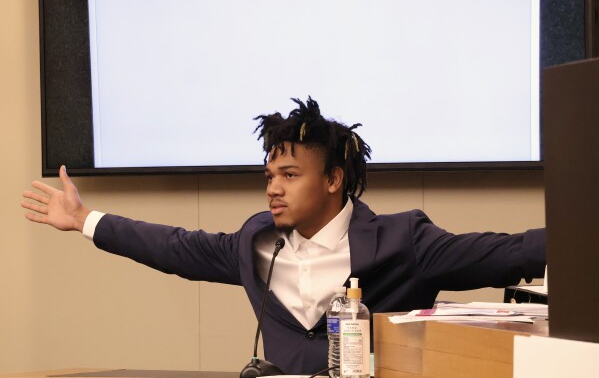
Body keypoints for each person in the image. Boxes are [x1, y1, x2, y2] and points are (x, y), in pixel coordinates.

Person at [22, 97, 546, 375]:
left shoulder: (403, 241)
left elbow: (505, 251)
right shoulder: (255, 244)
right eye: (270, 177)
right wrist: (85, 220)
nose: (273, 189)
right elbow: (176, 247)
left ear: (333, 180)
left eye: (290, 176)